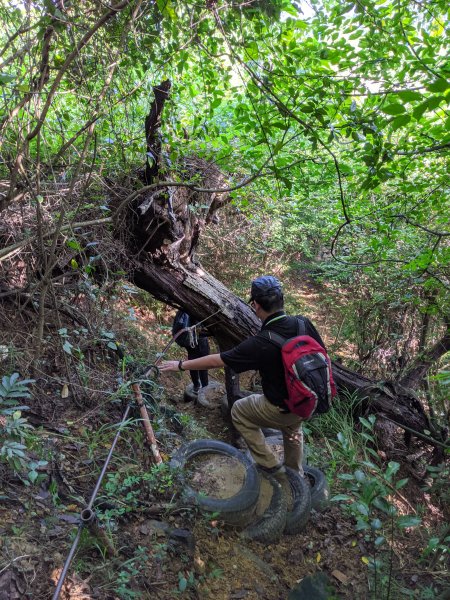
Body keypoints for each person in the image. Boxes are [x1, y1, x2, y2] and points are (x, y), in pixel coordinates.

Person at [160, 276, 327, 477]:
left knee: (239, 410)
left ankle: (274, 469)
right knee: (292, 428)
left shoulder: (261, 342)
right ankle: (295, 474)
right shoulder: (303, 323)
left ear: (255, 305)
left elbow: (218, 360)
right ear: (282, 300)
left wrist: (180, 365)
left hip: (280, 407)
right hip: (308, 399)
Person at [172, 310, 210, 396]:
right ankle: (204, 388)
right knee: (203, 365)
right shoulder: (197, 310)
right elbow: (202, 329)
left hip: (188, 341)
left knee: (192, 363)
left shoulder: (182, 310)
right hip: (199, 342)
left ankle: (196, 386)